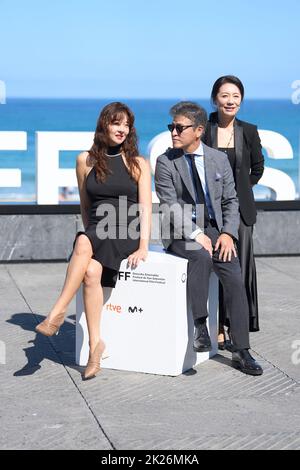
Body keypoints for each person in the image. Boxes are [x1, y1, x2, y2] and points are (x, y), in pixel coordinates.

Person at [35, 102, 152, 380]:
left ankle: (58, 312)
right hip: (98, 228)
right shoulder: (84, 160)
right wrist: (91, 235)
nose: (122, 129)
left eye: (126, 125)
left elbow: (146, 207)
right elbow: (85, 206)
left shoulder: (137, 163)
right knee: (90, 271)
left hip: (126, 229)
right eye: (116, 123)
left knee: (84, 243)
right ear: (104, 125)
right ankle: (95, 345)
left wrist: (144, 245)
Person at [155, 101, 263, 375]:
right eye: (172, 127)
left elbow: (230, 200)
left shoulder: (218, 159)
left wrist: (227, 233)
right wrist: (196, 234)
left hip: (216, 229)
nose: (174, 132)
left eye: (180, 127)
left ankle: (241, 350)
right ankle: (201, 325)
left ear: (199, 130)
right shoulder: (165, 161)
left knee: (235, 278)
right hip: (180, 232)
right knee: (200, 255)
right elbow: (169, 204)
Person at [203, 76, 264, 349]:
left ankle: (232, 325)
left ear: (241, 100)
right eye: (225, 95)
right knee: (215, 266)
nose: (230, 101)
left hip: (240, 213)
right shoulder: (204, 128)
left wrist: (239, 193)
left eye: (236, 96)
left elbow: (258, 168)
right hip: (209, 212)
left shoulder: (249, 131)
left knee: (238, 270)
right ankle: (214, 325)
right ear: (215, 98)